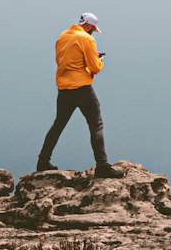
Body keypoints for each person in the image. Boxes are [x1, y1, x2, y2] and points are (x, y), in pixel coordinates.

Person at [36, 13, 123, 178]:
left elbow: (66, 60)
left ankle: (42, 162)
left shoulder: (63, 36)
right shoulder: (87, 39)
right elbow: (95, 67)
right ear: (90, 26)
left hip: (63, 88)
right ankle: (103, 166)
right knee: (96, 125)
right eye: (93, 29)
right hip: (82, 89)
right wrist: (100, 60)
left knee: (58, 125)